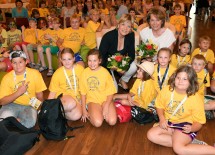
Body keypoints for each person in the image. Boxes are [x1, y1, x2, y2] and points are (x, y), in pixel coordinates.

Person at [147, 65, 215, 155]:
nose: (180, 81)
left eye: (185, 79)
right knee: (151, 135)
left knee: (179, 149)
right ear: (174, 78)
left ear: (191, 82)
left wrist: (191, 128)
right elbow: (159, 106)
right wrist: (162, 118)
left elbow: (199, 122)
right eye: (178, 77)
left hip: (185, 126)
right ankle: (188, 143)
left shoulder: (196, 98)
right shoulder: (167, 90)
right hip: (170, 123)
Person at [0, 50, 47, 128]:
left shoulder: (35, 74)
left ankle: (12, 125)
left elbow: (40, 95)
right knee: (2, 119)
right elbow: (2, 102)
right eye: (14, 62)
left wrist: (40, 109)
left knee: (30, 123)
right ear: (11, 64)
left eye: (20, 62)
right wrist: (18, 92)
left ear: (26, 62)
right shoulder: (7, 78)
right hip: (11, 104)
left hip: (29, 105)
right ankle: (15, 125)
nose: (17, 65)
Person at [80, 49, 117, 127]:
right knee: (98, 123)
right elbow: (83, 93)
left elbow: (111, 92)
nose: (92, 63)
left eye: (94, 60)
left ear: (99, 61)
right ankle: (93, 111)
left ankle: (104, 109)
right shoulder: (84, 73)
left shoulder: (105, 73)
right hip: (92, 100)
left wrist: (107, 105)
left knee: (112, 121)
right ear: (87, 61)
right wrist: (83, 110)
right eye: (90, 61)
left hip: (105, 99)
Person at [99, 14, 136, 91]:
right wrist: (114, 67)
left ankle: (123, 80)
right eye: (123, 24)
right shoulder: (108, 37)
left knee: (134, 66)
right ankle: (113, 76)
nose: (125, 28)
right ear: (118, 25)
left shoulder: (131, 35)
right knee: (114, 90)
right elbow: (101, 57)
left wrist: (125, 67)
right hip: (106, 64)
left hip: (120, 63)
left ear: (131, 28)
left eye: (128, 26)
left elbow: (132, 54)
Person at [48, 48, 83, 121]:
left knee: (76, 116)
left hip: (77, 98)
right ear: (61, 60)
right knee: (71, 103)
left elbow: (85, 87)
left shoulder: (81, 69)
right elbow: (52, 93)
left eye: (69, 59)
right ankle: (53, 111)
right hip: (63, 98)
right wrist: (47, 107)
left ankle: (60, 113)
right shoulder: (57, 73)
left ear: (74, 59)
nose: (67, 62)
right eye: (64, 59)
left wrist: (83, 100)